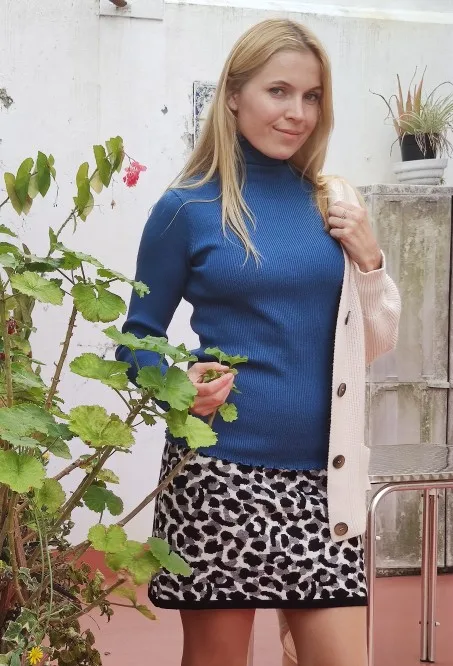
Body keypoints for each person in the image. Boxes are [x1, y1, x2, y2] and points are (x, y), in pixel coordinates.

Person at [116, 18, 401, 666]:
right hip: (218, 478)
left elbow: (375, 342)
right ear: (233, 95)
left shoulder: (332, 203)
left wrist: (369, 258)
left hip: (323, 482)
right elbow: (137, 338)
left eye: (311, 96)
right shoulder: (186, 208)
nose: (297, 112)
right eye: (279, 91)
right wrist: (175, 384)